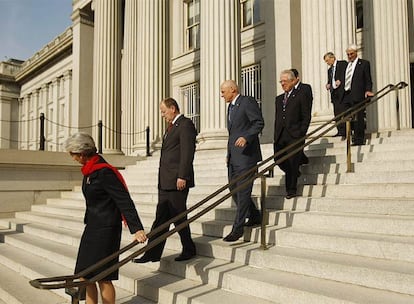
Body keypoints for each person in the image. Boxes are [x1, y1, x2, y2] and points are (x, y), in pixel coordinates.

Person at [65, 132, 147, 304]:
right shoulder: (89, 171)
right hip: (92, 228)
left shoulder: (104, 172)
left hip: (107, 230)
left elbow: (123, 199)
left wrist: (137, 228)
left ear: (82, 153)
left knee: (103, 276)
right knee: (86, 274)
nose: (73, 159)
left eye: (73, 155)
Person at [133, 97, 197, 262]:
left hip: (177, 180)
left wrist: (182, 175)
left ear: (173, 108)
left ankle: (189, 249)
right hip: (166, 181)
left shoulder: (185, 124)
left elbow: (187, 152)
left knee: (179, 216)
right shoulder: (171, 127)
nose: (162, 115)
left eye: (163, 111)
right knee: (161, 219)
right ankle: (151, 253)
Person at [221, 80, 264, 242]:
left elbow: (258, 122)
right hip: (234, 157)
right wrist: (229, 153)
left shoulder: (247, 102)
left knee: (243, 191)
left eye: (223, 91)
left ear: (233, 89)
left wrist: (246, 137)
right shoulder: (231, 107)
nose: (221, 95)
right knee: (233, 189)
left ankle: (237, 229)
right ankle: (254, 214)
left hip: (246, 157)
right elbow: (233, 133)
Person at [274, 70, 312, 199]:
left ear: (292, 81)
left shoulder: (300, 95)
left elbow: (306, 116)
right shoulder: (279, 99)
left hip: (295, 134)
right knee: (278, 159)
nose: (282, 84)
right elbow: (277, 118)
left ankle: (291, 189)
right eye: (281, 81)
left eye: (285, 81)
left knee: (292, 162)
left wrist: (302, 132)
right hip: (281, 135)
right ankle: (295, 173)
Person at [342, 44, 374, 145]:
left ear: (356, 53)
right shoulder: (346, 65)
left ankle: (359, 139)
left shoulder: (364, 64)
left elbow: (368, 79)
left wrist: (368, 90)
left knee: (359, 117)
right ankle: (350, 136)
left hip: (358, 94)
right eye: (348, 54)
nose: (349, 56)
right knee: (348, 117)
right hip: (346, 95)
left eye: (351, 54)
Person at [290, 68, 313, 166]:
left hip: (302, 118)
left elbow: (309, 102)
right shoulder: (289, 90)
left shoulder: (305, 88)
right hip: (292, 120)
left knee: (300, 139)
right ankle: (301, 158)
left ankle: (300, 159)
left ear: (297, 78)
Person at [323, 52, 348, 139]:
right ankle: (340, 130)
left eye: (327, 60)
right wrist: (328, 84)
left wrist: (341, 80)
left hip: (343, 93)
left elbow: (347, 74)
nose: (327, 63)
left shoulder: (342, 64)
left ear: (332, 58)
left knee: (344, 112)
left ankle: (346, 130)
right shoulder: (329, 70)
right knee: (336, 113)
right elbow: (330, 80)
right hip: (334, 93)